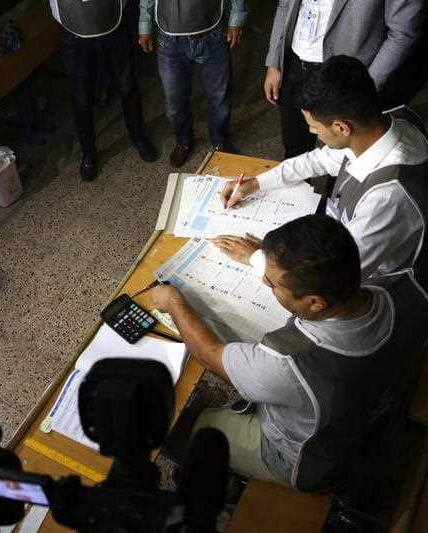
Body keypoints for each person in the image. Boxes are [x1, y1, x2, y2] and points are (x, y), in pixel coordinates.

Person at [151, 215, 428, 490]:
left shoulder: (291, 358)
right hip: (370, 413)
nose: (268, 285)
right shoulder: (407, 286)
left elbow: (211, 356)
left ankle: (210, 478)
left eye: (273, 285)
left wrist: (174, 303)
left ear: (315, 303)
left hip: (310, 462)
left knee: (184, 428)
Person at [220, 56, 428, 286]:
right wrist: (257, 182)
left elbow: (336, 276)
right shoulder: (378, 125)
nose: (312, 132)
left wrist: (259, 258)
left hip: (372, 280)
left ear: (341, 127)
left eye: (314, 126)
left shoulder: (388, 196)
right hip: (339, 234)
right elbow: (319, 160)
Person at [263, 0, 423, 158]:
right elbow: (284, 5)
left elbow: (402, 33)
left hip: (346, 79)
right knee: (295, 148)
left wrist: (365, 84)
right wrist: (274, 62)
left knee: (347, 157)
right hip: (296, 65)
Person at [50, 0, 158, 181]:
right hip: (73, 29)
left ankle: (139, 137)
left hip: (113, 22)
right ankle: (88, 154)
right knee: (81, 97)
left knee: (127, 86)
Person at [138, 0, 248, 167]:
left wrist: (236, 19)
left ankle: (220, 140)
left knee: (219, 98)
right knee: (175, 104)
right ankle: (184, 141)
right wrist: (144, 26)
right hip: (169, 41)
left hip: (212, 34)